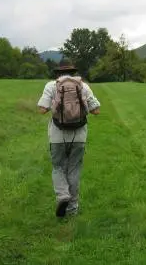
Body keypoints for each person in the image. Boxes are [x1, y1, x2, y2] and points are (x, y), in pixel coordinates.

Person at [37, 61, 101, 217]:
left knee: (58, 167)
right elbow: (96, 110)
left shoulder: (51, 85)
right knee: (74, 169)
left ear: (57, 73)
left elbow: (42, 110)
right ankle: (72, 210)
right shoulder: (83, 86)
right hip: (79, 135)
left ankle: (62, 195)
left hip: (57, 135)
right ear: (73, 72)